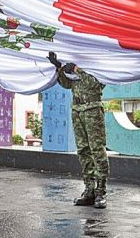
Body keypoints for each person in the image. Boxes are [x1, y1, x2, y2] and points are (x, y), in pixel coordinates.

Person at [47, 52, 109, 209]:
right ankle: (89, 189)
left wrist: (76, 69)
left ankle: (100, 192)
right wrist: (59, 69)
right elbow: (67, 85)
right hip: (77, 110)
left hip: (93, 110)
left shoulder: (98, 66)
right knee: (83, 150)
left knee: (97, 150)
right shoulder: (76, 66)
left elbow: (94, 84)